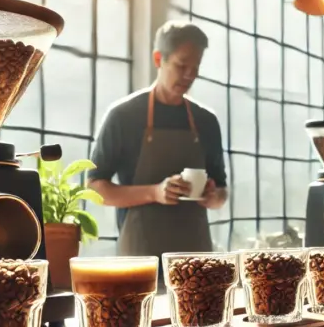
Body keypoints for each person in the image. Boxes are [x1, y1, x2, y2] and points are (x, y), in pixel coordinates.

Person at [88, 20, 228, 259]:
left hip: (195, 256)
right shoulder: (123, 116)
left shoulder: (206, 121)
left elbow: (222, 192)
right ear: (157, 59)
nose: (189, 75)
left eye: (196, 68)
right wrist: (154, 192)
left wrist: (213, 197)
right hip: (141, 254)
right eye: (181, 65)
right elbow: (94, 189)